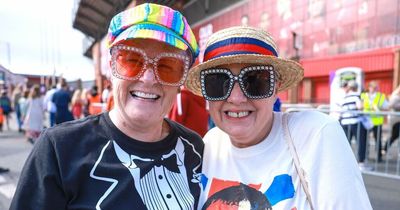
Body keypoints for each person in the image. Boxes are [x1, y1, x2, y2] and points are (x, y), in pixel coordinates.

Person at [10, 3, 203, 210]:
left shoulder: (196, 150)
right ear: (111, 68)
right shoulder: (59, 150)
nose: (148, 79)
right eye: (132, 60)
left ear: (181, 81)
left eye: (167, 67)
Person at [185, 26, 372, 210]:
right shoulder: (211, 143)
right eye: (218, 82)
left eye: (254, 81)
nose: (236, 98)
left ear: (276, 89)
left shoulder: (316, 135)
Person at [360, 80, 389, 162]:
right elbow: (360, 106)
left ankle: (379, 157)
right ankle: (365, 156)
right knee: (364, 139)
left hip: (376, 121)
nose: (374, 88)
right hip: (366, 121)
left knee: (378, 139)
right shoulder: (363, 96)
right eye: (372, 87)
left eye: (375, 87)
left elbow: (387, 107)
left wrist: (379, 109)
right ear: (369, 87)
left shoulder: (380, 96)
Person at [385, 84, 400, 153]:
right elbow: (390, 106)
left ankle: (385, 148)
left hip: (397, 120)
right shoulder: (395, 97)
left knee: (395, 136)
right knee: (394, 136)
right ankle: (385, 148)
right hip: (395, 120)